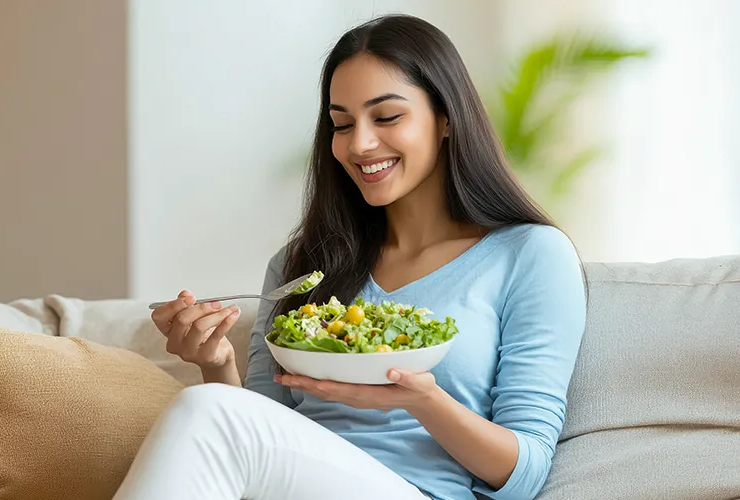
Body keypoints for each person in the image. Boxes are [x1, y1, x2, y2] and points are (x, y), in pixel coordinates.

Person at [114, 13, 586, 500]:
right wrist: (215, 366)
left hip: (417, 491)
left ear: (445, 119)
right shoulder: (301, 263)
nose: (359, 144)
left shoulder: (529, 254)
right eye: (342, 123)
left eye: (386, 117)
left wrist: (423, 399)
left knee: (204, 410)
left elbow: (524, 475)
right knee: (208, 405)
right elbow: (254, 436)